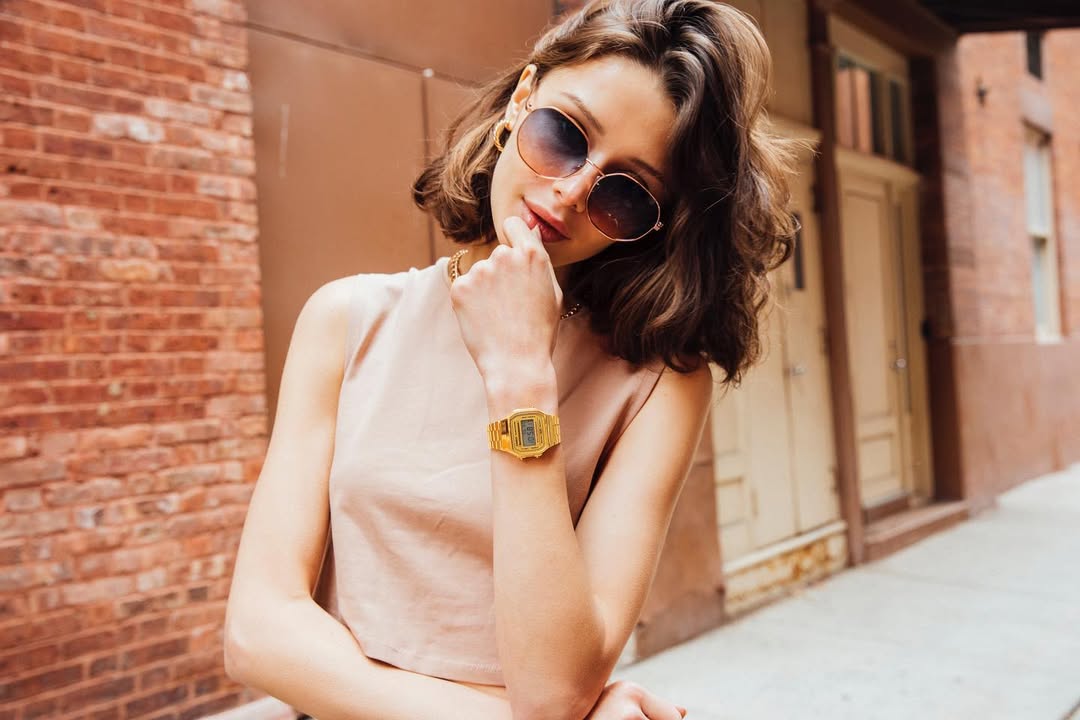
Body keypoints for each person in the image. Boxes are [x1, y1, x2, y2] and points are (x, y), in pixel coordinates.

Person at [223, 0, 798, 718]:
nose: (570, 191)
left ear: (652, 226)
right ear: (522, 100)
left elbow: (554, 688)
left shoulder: (657, 386)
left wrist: (521, 377)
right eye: (564, 135)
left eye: (624, 194)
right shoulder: (347, 320)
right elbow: (257, 633)